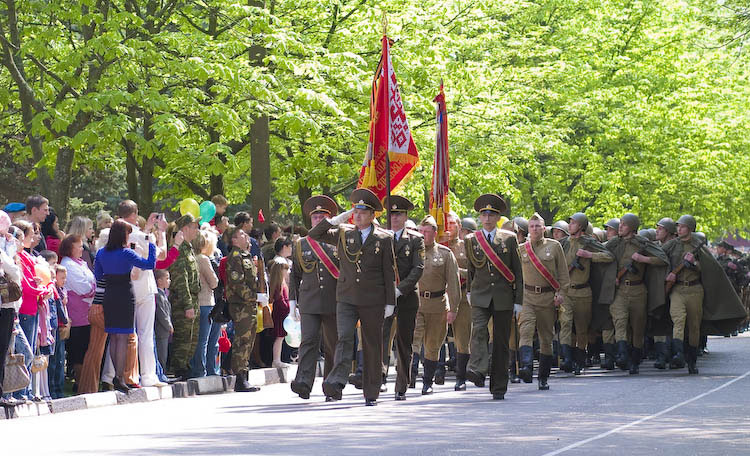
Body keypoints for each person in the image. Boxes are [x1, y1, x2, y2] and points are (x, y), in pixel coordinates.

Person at [308, 188, 396, 406]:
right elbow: (314, 234)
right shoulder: (343, 233)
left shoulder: (384, 238)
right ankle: (336, 380)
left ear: (372, 215)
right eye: (356, 211)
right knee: (344, 337)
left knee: (372, 344)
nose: (358, 216)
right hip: (347, 297)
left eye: (363, 212)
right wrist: (337, 219)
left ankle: (371, 391)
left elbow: (388, 271)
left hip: (373, 299)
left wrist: (390, 302)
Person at [464, 194, 522, 400]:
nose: (487, 219)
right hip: (480, 295)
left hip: (503, 296)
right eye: (484, 215)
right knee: (479, 330)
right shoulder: (471, 240)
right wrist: (469, 291)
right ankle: (477, 369)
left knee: (501, 343)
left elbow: (518, 272)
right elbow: (471, 269)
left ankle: (498, 387)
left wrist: (519, 301)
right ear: (480, 217)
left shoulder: (509, 239)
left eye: (491, 215)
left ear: (498, 218)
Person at [94, 220, 156, 393]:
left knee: (114, 336)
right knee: (122, 336)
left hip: (110, 294)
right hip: (125, 293)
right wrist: (151, 245)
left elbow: (98, 275)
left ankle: (116, 376)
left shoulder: (101, 253)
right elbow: (149, 264)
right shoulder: (127, 253)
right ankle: (119, 377)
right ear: (123, 235)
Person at [605, 213, 668, 375]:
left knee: (638, 328)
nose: (620, 227)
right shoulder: (614, 242)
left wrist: (643, 259)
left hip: (638, 290)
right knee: (620, 322)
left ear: (632, 227)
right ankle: (622, 354)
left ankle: (635, 360)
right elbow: (603, 254)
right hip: (619, 290)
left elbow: (662, 259)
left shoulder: (643, 243)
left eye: (624, 224)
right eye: (620, 223)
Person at [290, 196, 339, 400]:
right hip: (309, 301)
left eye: (322, 216)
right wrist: (293, 303)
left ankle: (331, 384)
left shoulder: (338, 241)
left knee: (333, 345)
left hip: (334, 300)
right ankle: (303, 382)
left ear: (329, 219)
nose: (318, 220)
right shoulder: (301, 244)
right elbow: (295, 275)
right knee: (308, 341)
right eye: (315, 217)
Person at [517, 213, 569, 391]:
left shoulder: (554, 247)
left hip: (547, 298)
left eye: (537, 226)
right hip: (527, 297)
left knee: (546, 338)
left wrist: (561, 293)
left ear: (544, 228)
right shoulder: (521, 249)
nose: (534, 229)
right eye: (531, 226)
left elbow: (563, 274)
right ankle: (526, 366)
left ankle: (543, 377)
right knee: (525, 330)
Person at [559, 213, 615, 375]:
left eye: (574, 223)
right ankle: (567, 358)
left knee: (582, 328)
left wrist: (590, 255)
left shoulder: (589, 243)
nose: (570, 225)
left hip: (583, 292)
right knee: (565, 323)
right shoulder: (563, 243)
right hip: (566, 291)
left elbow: (609, 256)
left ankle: (580, 360)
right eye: (570, 222)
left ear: (581, 226)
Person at [382, 195, 424, 400]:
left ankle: (401, 385)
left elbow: (418, 268)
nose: (394, 218)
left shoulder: (415, 240)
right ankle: (379, 377)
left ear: (406, 217)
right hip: (384, 297)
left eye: (398, 214)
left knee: (404, 342)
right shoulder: (381, 238)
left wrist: (400, 289)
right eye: (391, 214)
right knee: (380, 338)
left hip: (406, 297)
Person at [414, 215, 460, 396]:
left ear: (434, 233)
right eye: (421, 231)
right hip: (416, 304)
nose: (423, 235)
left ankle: (428, 381)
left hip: (438, 305)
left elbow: (454, 283)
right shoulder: (412, 251)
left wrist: (454, 308)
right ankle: (409, 375)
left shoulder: (445, 254)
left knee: (433, 345)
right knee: (413, 340)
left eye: (426, 231)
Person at [224, 226, 269, 392]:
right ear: (234, 240)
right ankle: (240, 378)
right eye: (241, 234)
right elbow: (237, 284)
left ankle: (244, 374)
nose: (246, 236)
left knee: (249, 341)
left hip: (248, 305)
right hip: (241, 305)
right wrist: (255, 296)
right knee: (242, 341)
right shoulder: (235, 257)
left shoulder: (245, 255)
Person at [59, 234, 96, 391]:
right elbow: (85, 288)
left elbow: (92, 282)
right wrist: (92, 287)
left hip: (86, 313)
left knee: (86, 348)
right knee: (78, 351)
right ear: (70, 248)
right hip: (76, 315)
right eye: (79, 246)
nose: (82, 249)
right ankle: (80, 383)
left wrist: (91, 286)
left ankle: (87, 382)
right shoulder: (68, 265)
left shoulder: (81, 263)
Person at [440, 212, 472, 391]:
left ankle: (461, 376)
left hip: (461, 296)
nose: (449, 226)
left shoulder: (466, 246)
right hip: (439, 297)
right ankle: (436, 371)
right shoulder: (437, 246)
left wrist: (455, 271)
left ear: (459, 226)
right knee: (436, 336)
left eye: (453, 223)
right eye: (446, 223)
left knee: (462, 337)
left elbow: (473, 272)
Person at [168, 213, 201, 380]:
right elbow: (181, 280)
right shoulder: (179, 250)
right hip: (182, 301)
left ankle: (184, 367)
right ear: (185, 228)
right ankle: (178, 369)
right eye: (194, 227)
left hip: (193, 298)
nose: (197, 230)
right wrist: (188, 305)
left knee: (191, 339)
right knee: (183, 338)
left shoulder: (188, 248)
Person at [190, 231, 220, 378]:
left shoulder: (191, 258)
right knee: (204, 340)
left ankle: (197, 369)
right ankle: (202, 370)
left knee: (196, 339)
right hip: (206, 301)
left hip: (195, 302)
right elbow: (214, 282)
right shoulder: (203, 259)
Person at [0, 215, 23, 401]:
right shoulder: (3, 249)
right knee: (2, 350)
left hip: (6, 305)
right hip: (4, 305)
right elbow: (14, 271)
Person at [269, 253, 291, 368]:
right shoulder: (278, 284)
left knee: (281, 337)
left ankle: (278, 359)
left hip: (283, 314)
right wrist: (288, 309)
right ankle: (276, 360)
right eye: (285, 269)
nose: (287, 272)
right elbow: (280, 300)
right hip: (280, 314)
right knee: (279, 337)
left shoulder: (282, 283)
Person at [154, 268, 173, 370]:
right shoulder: (158, 295)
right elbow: (162, 313)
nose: (169, 281)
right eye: (167, 278)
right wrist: (169, 326)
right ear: (159, 281)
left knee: (164, 353)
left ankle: (163, 371)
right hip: (161, 330)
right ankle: (161, 372)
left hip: (164, 331)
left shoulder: (163, 294)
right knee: (161, 354)